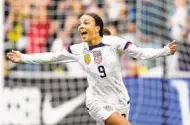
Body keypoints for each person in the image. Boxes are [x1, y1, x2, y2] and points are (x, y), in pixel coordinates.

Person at [7, 13, 177, 125]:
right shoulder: (78, 49)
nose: (81, 26)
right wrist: (23, 57)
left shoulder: (114, 43)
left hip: (120, 99)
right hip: (96, 100)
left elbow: (140, 53)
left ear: (97, 28)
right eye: (80, 23)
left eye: (86, 22)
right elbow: (52, 57)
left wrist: (163, 51)